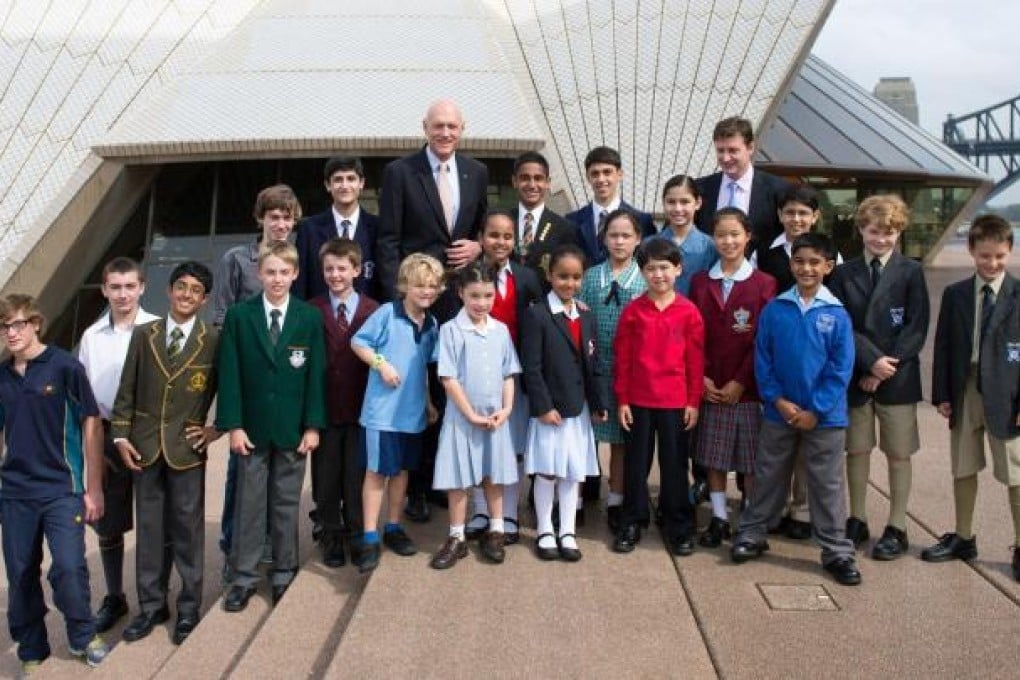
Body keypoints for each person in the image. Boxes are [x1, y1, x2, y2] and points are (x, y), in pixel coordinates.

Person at [376, 99, 489, 520]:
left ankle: (446, 478)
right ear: (424, 127)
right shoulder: (400, 173)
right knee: (415, 392)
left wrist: (478, 244)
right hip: (417, 301)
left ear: (463, 129)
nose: (445, 133)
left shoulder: (475, 172)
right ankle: (416, 488)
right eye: (438, 126)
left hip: (458, 301)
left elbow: (482, 226)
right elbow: (388, 239)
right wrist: (399, 300)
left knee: (451, 389)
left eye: (452, 126)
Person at [730, 233, 860, 586]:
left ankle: (836, 551)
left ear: (828, 267)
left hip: (825, 417)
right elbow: (764, 359)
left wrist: (815, 409)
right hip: (779, 412)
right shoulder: (776, 309)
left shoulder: (837, 314)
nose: (806, 268)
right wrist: (778, 400)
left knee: (827, 484)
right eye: (800, 261)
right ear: (791, 264)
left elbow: (840, 368)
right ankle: (752, 533)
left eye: (814, 263)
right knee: (768, 475)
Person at [110, 261, 220, 645]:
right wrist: (121, 437)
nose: (186, 295)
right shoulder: (145, 334)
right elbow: (126, 390)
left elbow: (230, 390)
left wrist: (215, 428)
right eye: (181, 287)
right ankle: (152, 605)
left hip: (187, 449)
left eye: (195, 290)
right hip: (143, 447)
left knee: (187, 530)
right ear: (169, 290)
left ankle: (189, 608)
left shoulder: (213, 338)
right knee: (151, 529)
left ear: (204, 300)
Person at [0, 295, 109, 674]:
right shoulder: (1, 375)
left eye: (17, 324)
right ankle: (32, 650)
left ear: (35, 324)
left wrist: (93, 487)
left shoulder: (64, 366)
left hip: (62, 489)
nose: (10, 333)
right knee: (20, 573)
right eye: (4, 327)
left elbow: (91, 424)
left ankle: (83, 637)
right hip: (15, 494)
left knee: (67, 566)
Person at [216, 241, 326, 612]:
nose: (277, 279)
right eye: (270, 272)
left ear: (294, 274)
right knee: (249, 504)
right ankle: (244, 576)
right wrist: (232, 424)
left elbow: (315, 376)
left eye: (284, 272)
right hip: (251, 429)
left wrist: (313, 425)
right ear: (259, 274)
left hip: (293, 430)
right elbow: (229, 374)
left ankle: (283, 570)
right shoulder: (239, 316)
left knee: (285, 502)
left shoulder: (309, 317)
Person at [829, 195, 929, 559]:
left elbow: (917, 327)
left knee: (898, 453)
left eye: (888, 233)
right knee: (856, 450)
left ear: (899, 232)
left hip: (898, 379)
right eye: (874, 232)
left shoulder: (911, 272)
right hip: (858, 376)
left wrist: (887, 366)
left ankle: (897, 525)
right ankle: (856, 518)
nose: (881, 239)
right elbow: (843, 325)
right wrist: (870, 363)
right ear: (861, 230)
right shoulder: (843, 274)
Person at [924, 214, 1020, 582]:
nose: (991, 263)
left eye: (998, 256)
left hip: (1006, 396)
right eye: (984, 256)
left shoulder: (1017, 294)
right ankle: (963, 537)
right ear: (971, 251)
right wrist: (942, 394)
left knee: (1014, 473)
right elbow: (945, 344)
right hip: (965, 390)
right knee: (963, 467)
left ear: (1008, 251)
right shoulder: (956, 294)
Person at [212, 184, 302, 573]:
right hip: (248, 382)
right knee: (242, 471)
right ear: (261, 219)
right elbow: (222, 318)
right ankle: (234, 543)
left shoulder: (296, 259)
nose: (280, 223)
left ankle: (267, 543)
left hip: (282, 383)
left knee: (277, 474)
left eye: (286, 217)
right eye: (273, 217)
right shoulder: (237, 259)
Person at [76, 257, 159, 633]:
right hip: (108, 435)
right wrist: (92, 461)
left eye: (130, 286)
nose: (123, 294)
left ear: (141, 287)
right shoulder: (92, 338)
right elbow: (87, 405)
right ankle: (115, 596)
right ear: (105, 290)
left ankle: (152, 598)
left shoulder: (158, 329)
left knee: (154, 519)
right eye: (116, 287)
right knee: (108, 523)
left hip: (149, 433)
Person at [753, 184, 840, 539]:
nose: (796, 218)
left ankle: (802, 511)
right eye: (790, 212)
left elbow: (840, 326)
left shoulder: (828, 255)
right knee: (774, 451)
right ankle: (767, 514)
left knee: (812, 456)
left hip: (816, 362)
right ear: (779, 215)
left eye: (804, 212)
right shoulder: (766, 252)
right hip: (778, 351)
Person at [688, 209, 776, 547]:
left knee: (750, 460)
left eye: (735, 234)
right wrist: (704, 377)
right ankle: (720, 517)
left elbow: (763, 341)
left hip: (748, 388)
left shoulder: (764, 283)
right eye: (722, 235)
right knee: (714, 456)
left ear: (747, 236)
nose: (728, 241)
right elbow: (694, 336)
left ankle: (751, 519)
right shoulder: (701, 282)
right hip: (711, 384)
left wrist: (741, 380)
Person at [350, 254, 444, 572]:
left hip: (412, 414)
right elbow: (358, 342)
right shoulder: (387, 314)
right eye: (419, 285)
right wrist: (381, 364)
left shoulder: (432, 324)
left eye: (432, 286)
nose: (426, 292)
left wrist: (429, 403)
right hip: (382, 414)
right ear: (405, 286)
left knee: (402, 472)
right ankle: (369, 536)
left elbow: (426, 370)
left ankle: (393, 526)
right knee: (377, 474)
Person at [612, 238, 705, 555]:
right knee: (636, 464)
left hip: (675, 401)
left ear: (678, 269)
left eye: (664, 267)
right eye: (650, 269)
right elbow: (623, 359)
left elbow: (695, 361)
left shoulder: (689, 312)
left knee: (675, 465)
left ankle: (678, 523)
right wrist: (622, 399)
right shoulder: (634, 311)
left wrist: (693, 401)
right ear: (642, 273)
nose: (658, 275)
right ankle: (633, 520)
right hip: (639, 399)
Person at [431, 262, 521, 569]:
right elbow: (448, 377)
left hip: (495, 418)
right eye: (474, 296)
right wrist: (468, 413)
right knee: (458, 479)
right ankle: (457, 537)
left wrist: (507, 409)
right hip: (462, 419)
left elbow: (508, 372)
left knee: (492, 475)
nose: (481, 303)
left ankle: (495, 530)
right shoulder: (451, 330)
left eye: (487, 295)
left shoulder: (501, 330)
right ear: (461, 294)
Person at [522, 245, 609, 562]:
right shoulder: (537, 314)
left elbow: (593, 361)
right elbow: (530, 366)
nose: (569, 283)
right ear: (549, 276)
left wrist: (599, 401)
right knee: (547, 471)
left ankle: (568, 530)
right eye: (562, 277)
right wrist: (543, 406)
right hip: (551, 412)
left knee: (573, 472)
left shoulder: (585, 314)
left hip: (578, 409)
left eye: (575, 277)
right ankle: (545, 528)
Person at [466, 211, 543, 544]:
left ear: (516, 240)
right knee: (479, 445)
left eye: (507, 236)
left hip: (513, 377)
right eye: (493, 235)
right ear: (481, 238)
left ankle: (508, 512)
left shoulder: (526, 278)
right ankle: (482, 510)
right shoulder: (467, 277)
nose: (500, 242)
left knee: (510, 447)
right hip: (475, 377)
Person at [307, 238, 380, 569]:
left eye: (342, 268)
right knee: (325, 478)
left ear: (356, 269)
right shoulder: (311, 310)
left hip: (361, 409)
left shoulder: (374, 311)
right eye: (329, 269)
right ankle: (330, 532)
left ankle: (356, 534)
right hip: (323, 408)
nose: (336, 275)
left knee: (356, 475)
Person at [578, 209, 647, 531]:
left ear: (638, 239)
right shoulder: (591, 276)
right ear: (603, 239)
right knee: (583, 437)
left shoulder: (645, 278)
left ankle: (617, 499)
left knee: (621, 440)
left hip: (629, 371)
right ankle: (576, 498)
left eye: (626, 235)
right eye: (613, 235)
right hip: (592, 368)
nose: (619, 241)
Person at [695, 116, 790, 253]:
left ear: (750, 147)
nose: (726, 158)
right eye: (720, 151)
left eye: (733, 150)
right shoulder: (700, 188)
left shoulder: (778, 190)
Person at [295, 155, 378, 300]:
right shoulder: (309, 229)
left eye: (351, 178)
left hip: (370, 317)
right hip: (320, 316)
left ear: (361, 183)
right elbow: (300, 283)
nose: (345, 186)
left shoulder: (379, 227)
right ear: (328, 185)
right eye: (338, 179)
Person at [566, 146, 655, 266]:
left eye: (607, 172)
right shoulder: (572, 221)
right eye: (595, 174)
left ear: (620, 174)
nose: (601, 179)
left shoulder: (642, 220)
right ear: (587, 177)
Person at [510, 151, 578, 285]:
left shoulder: (565, 228)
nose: (532, 185)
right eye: (525, 178)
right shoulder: (503, 221)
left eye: (538, 178)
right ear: (514, 181)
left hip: (545, 303)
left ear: (548, 182)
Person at [650, 174, 718, 296]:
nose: (677, 208)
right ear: (663, 203)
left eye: (685, 202)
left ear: (697, 203)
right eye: (671, 202)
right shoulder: (650, 244)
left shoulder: (710, 247)